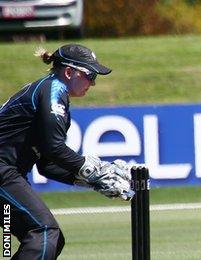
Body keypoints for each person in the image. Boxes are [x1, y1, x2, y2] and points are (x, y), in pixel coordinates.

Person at [0, 44, 134, 259]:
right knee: (43, 233)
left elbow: (47, 165)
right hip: (3, 173)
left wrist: (91, 181)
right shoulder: (53, 89)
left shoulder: (51, 91)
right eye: (89, 75)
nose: (93, 82)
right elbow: (54, 148)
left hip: (7, 173)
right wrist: (93, 171)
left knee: (50, 240)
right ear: (69, 72)